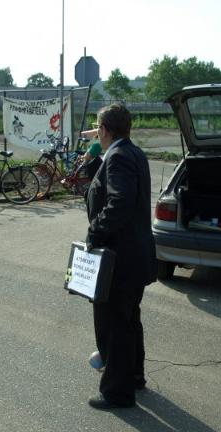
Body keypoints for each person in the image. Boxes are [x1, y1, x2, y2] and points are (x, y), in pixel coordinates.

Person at [85, 104, 157, 409]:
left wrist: (96, 232)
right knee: (128, 321)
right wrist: (92, 160)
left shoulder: (117, 157)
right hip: (134, 256)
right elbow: (105, 188)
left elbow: (119, 202)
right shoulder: (131, 152)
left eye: (97, 129)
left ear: (104, 130)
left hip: (120, 259)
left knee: (114, 324)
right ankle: (134, 377)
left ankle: (117, 392)